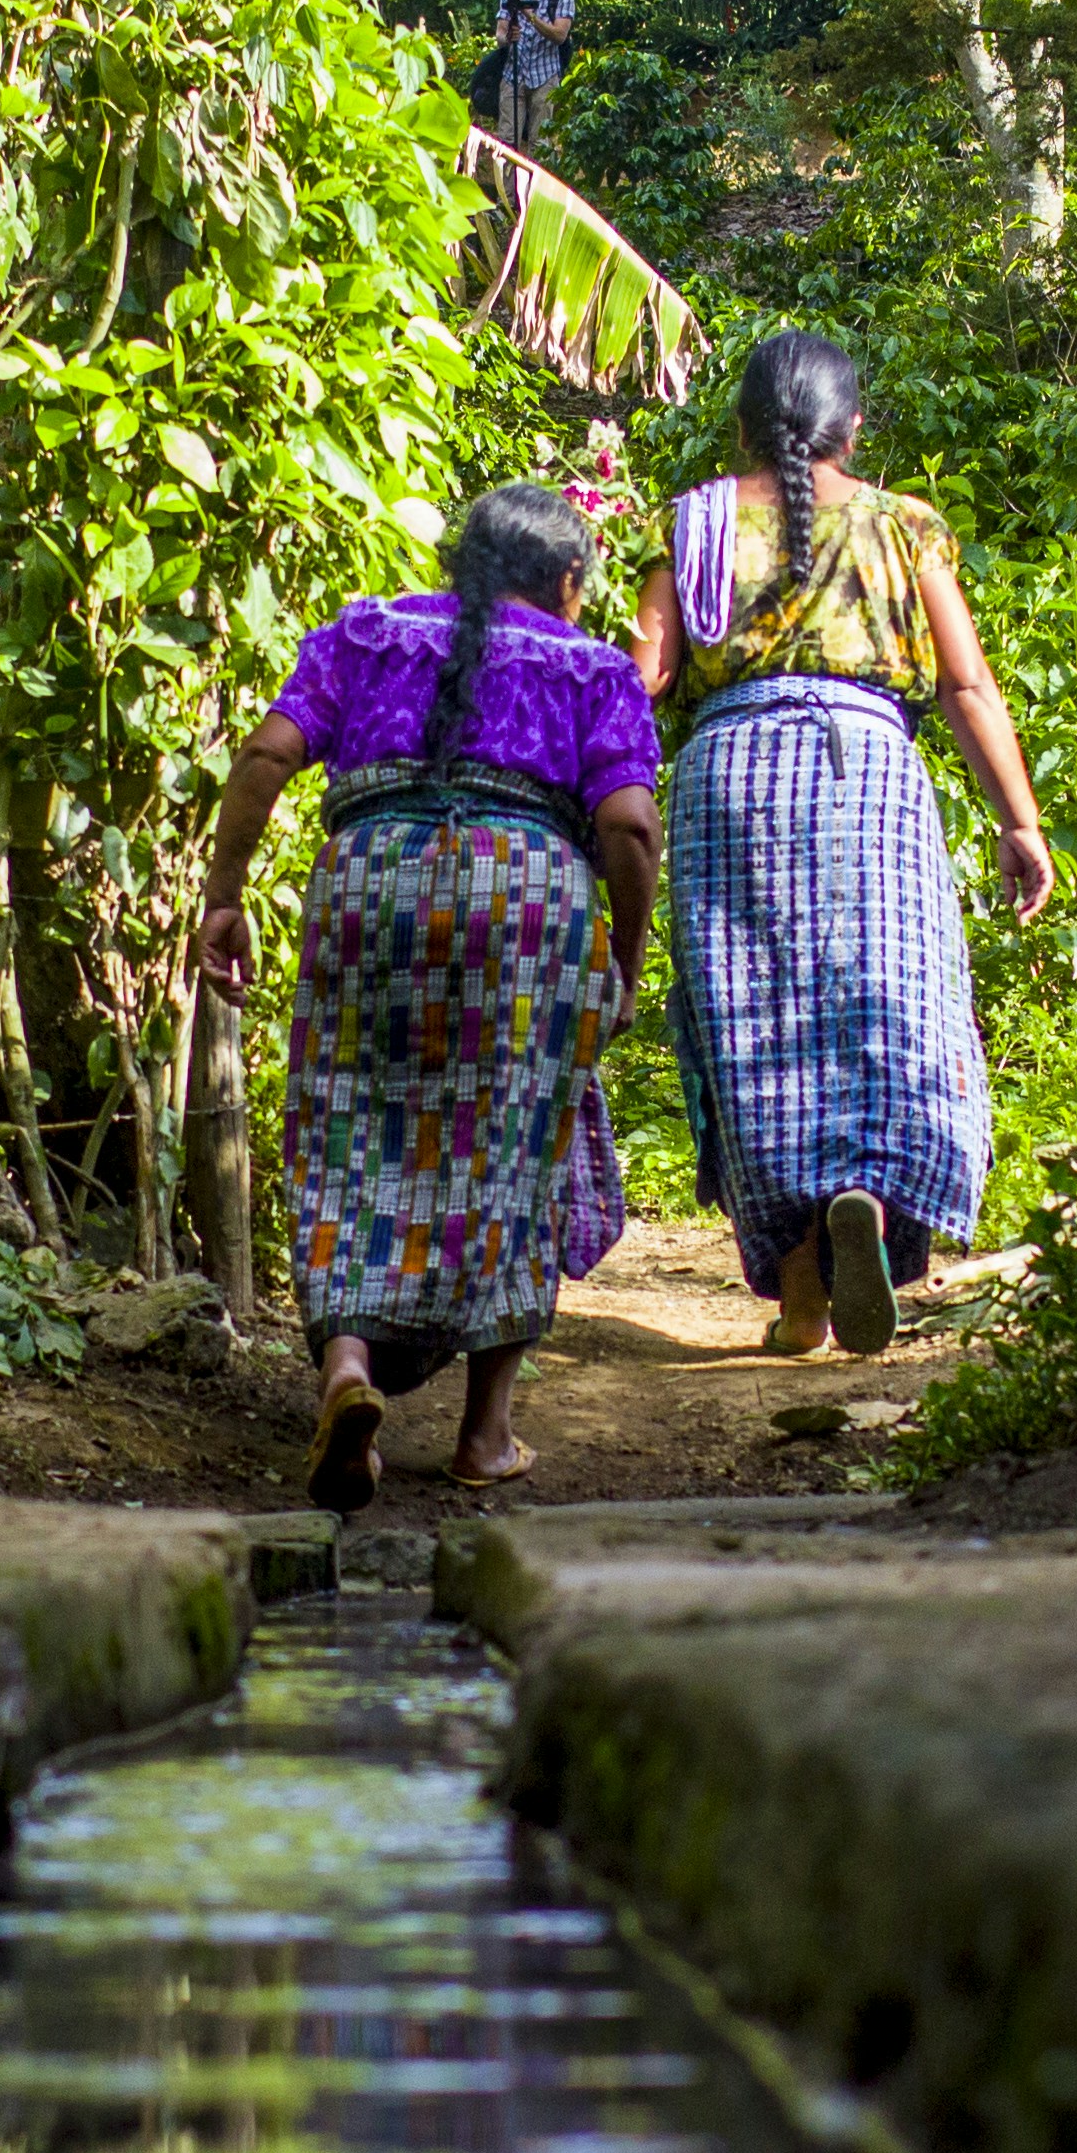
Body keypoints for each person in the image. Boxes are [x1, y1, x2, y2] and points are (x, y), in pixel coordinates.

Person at [201, 483, 663, 1508]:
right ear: (568, 583)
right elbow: (628, 825)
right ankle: (484, 1436)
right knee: (511, 1145)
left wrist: (225, 895)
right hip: (529, 904)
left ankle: (349, 1374)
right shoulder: (593, 668)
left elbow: (270, 753)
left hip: (370, 884)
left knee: (347, 1123)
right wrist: (621, 963)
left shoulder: (365, 635)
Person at [631, 332, 1057, 1358]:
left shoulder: (692, 524)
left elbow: (640, 682)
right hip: (869, 770)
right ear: (852, 427)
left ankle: (801, 1298)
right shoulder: (905, 526)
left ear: (739, 424)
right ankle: (867, 1191)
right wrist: (1020, 820)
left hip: (729, 772)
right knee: (886, 1001)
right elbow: (965, 687)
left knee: (750, 1017)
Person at [488, 0, 577, 149]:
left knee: (540, 143)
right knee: (507, 143)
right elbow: (499, 34)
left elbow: (559, 35)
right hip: (513, 74)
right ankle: (507, 183)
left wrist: (530, 16)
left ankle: (534, 183)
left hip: (545, 75)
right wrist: (508, 38)